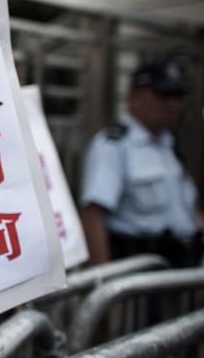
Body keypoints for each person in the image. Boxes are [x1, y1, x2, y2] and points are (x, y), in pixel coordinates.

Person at [80, 57, 203, 267]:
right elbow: (93, 217)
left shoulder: (170, 144)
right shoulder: (114, 145)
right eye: (163, 94)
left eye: (178, 95)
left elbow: (191, 209)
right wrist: (106, 283)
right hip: (140, 274)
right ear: (133, 96)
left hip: (182, 268)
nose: (173, 104)